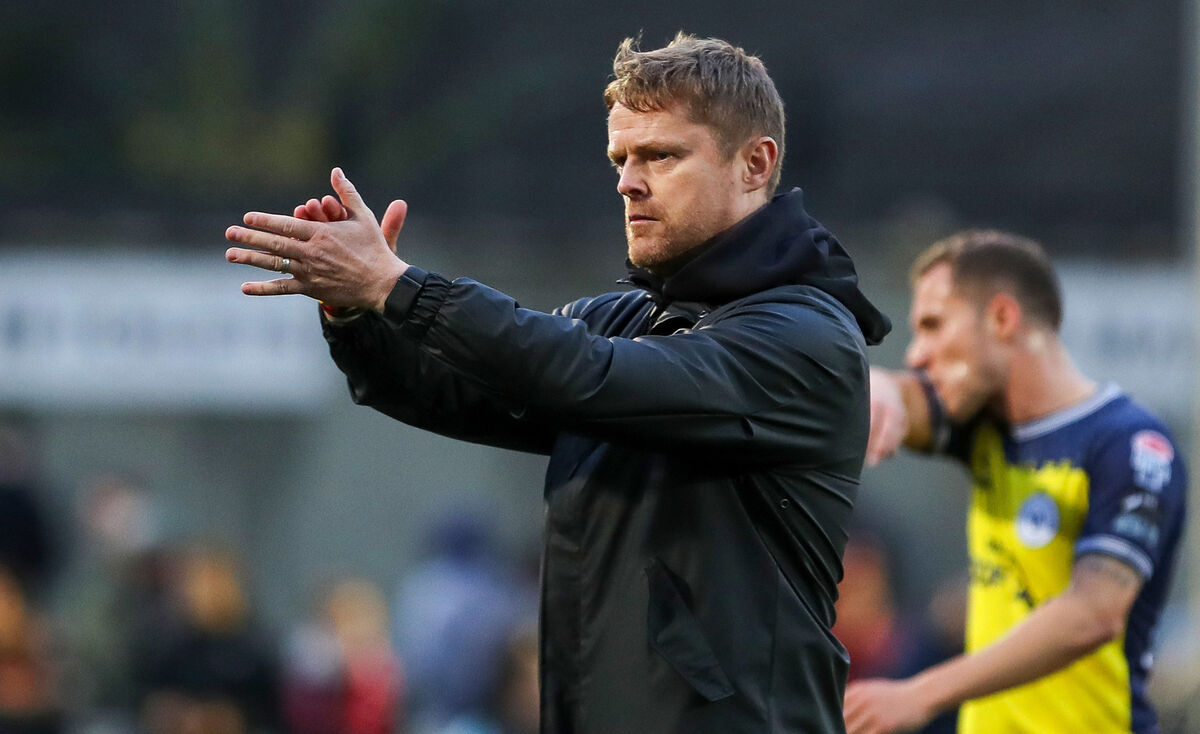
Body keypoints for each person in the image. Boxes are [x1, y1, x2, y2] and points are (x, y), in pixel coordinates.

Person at [226, 33, 890, 733]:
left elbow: (586, 373)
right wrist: (360, 313)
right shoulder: (631, 317)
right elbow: (460, 387)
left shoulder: (804, 336)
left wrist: (402, 287)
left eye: (660, 155)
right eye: (620, 159)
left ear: (756, 164)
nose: (628, 181)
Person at [846, 231, 1187, 734]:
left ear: (1002, 318)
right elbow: (899, 394)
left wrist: (921, 693)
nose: (918, 354)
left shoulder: (1131, 444)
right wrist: (882, 388)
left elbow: (1093, 613)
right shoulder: (985, 428)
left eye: (934, 325)